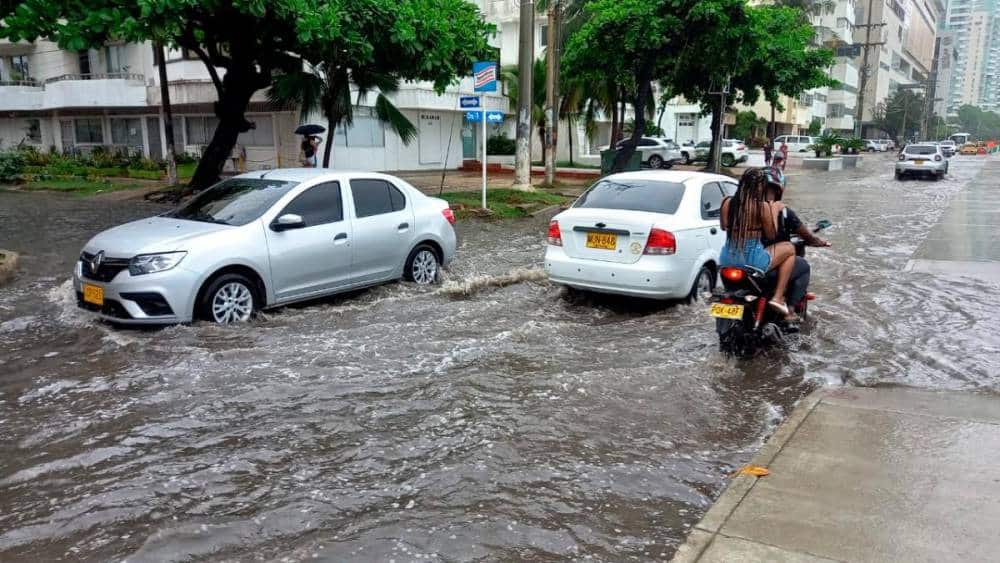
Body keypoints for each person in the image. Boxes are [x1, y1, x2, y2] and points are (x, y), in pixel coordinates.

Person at [720, 168, 797, 318]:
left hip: (727, 258)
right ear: (759, 187)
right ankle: (778, 297)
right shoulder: (762, 207)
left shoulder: (727, 202)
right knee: (790, 248)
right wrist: (773, 210)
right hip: (752, 260)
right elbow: (771, 234)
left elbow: (724, 226)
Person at [760, 166, 830, 309]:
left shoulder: (743, 209)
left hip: (736, 261)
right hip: (762, 262)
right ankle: (790, 309)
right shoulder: (783, 212)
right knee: (803, 267)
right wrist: (819, 242)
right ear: (779, 190)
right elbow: (806, 236)